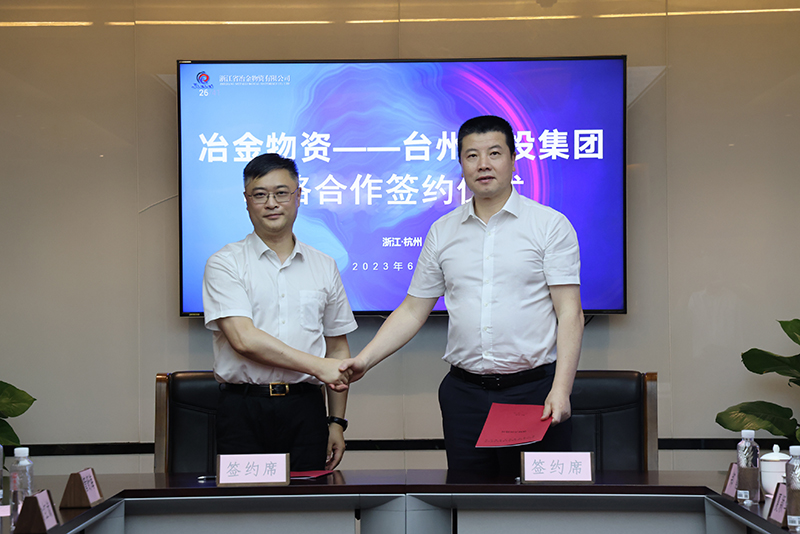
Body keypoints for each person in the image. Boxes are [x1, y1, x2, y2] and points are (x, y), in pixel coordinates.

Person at [339, 115, 584, 475]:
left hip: (533, 393)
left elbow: (570, 313)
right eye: (472, 155)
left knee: (537, 500)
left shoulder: (549, 225)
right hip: (464, 396)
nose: (483, 164)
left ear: (513, 160)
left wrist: (561, 390)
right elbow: (413, 310)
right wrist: (364, 360)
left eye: (494, 153)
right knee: (468, 499)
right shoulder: (443, 231)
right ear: (461, 165)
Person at [202, 153, 357, 471]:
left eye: (281, 193)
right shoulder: (225, 263)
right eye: (260, 194)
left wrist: (336, 421)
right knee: (245, 501)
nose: (271, 203)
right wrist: (318, 366)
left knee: (308, 499)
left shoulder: (324, 265)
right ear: (247, 201)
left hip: (306, 409)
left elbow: (337, 348)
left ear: (298, 196)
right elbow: (244, 340)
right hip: (243, 408)